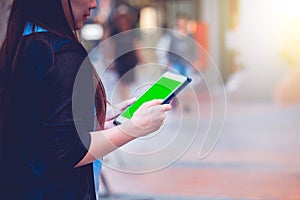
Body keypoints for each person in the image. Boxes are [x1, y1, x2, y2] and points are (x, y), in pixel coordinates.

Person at [0, 0, 171, 199]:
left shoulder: (21, 44)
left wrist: (96, 123)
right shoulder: (63, 53)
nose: (93, 3)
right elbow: (68, 150)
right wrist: (135, 127)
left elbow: (41, 132)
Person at [108, 3, 145, 101]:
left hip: (131, 62)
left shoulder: (133, 32)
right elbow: (111, 47)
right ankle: (125, 102)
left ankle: (130, 101)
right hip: (120, 61)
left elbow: (137, 46)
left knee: (132, 84)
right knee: (122, 83)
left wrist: (142, 59)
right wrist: (110, 60)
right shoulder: (115, 32)